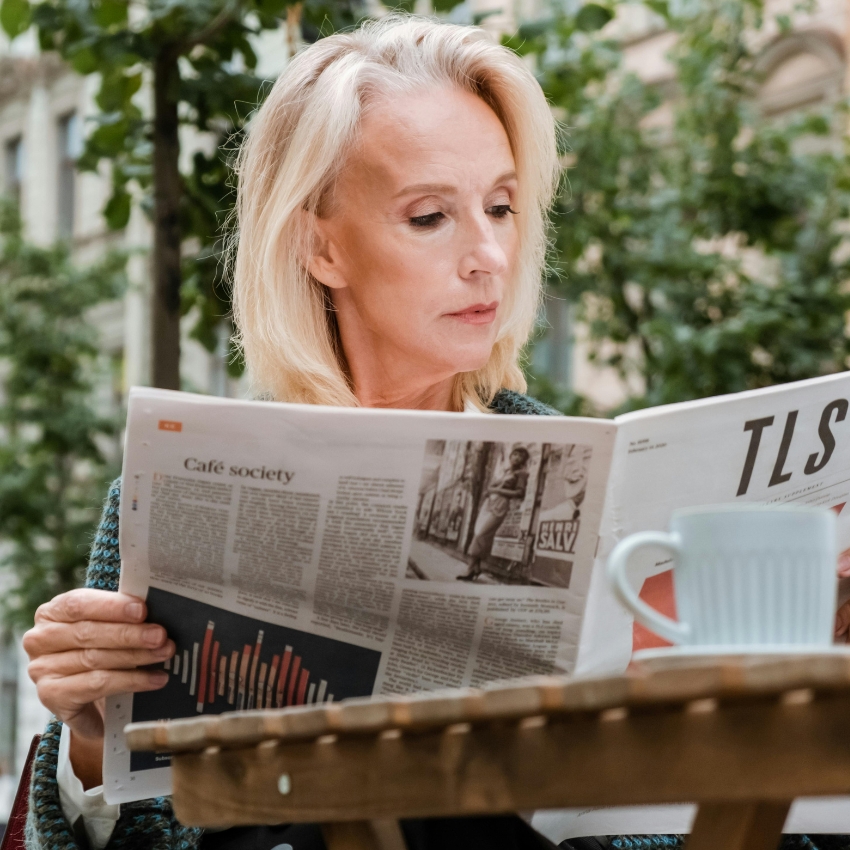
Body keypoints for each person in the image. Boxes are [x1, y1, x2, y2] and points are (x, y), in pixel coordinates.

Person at [18, 14, 850, 850]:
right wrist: (90, 743)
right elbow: (144, 835)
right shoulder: (169, 492)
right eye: (430, 217)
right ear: (319, 246)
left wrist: (799, 699)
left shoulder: (611, 485)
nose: (488, 253)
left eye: (501, 204)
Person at [459, 446, 530, 581]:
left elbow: (520, 493)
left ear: (523, 460)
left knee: (481, 535)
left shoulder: (521, 474)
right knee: (480, 534)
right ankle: (476, 568)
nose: (516, 457)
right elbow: (491, 487)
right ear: (510, 456)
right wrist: (490, 491)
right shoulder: (505, 472)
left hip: (500, 505)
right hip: (488, 504)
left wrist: (497, 491)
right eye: (515, 454)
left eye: (520, 456)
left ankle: (469, 570)